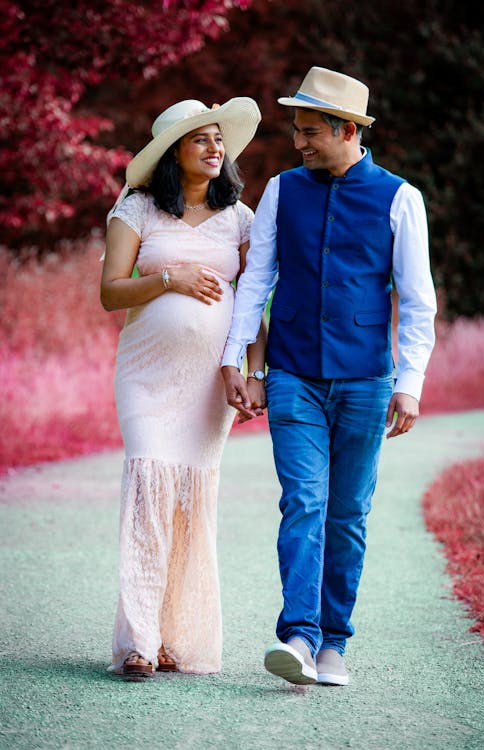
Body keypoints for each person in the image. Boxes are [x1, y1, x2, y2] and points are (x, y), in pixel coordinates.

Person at [221, 67, 437, 686]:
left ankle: (334, 643)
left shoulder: (400, 198)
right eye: (297, 130)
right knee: (304, 502)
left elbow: (418, 302)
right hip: (292, 374)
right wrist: (236, 358)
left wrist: (410, 382)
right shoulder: (282, 192)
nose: (299, 143)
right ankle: (299, 634)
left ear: (347, 130)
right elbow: (256, 279)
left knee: (347, 513)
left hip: (367, 381)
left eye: (311, 131)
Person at [101, 97, 266, 679]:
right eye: (201, 140)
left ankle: (175, 639)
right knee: (148, 484)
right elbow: (111, 292)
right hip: (146, 376)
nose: (216, 148)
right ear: (174, 152)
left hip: (207, 384)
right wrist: (168, 278)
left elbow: (252, 303)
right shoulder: (137, 208)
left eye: (219, 139)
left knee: (190, 504)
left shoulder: (241, 219)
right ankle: (138, 643)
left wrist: (254, 370)